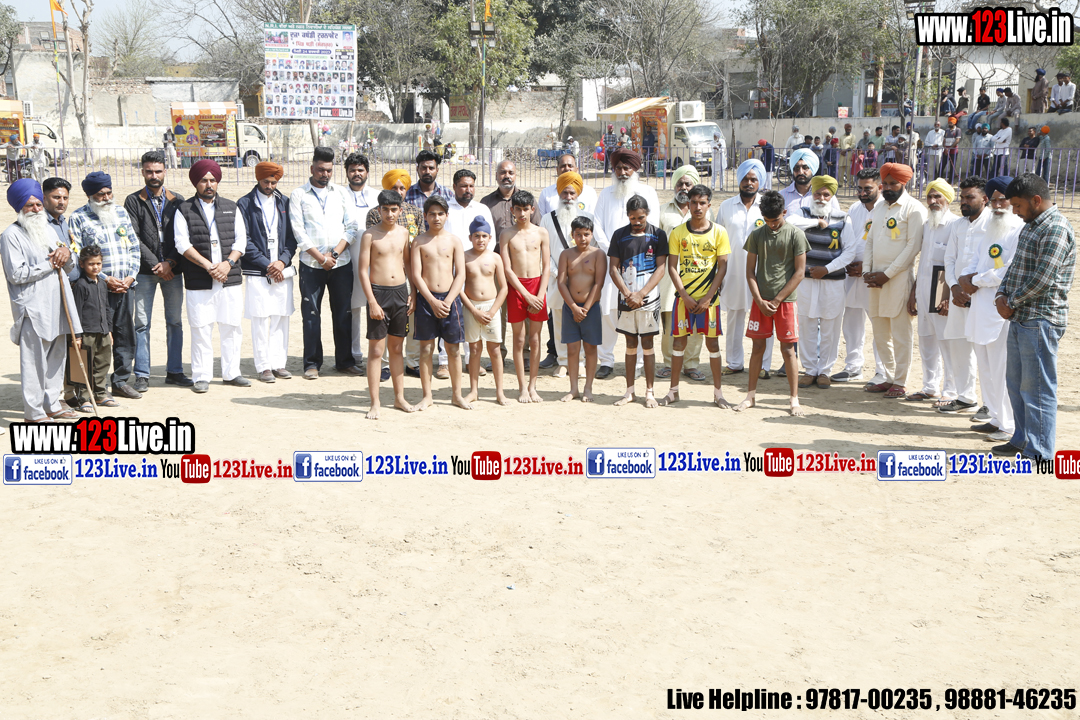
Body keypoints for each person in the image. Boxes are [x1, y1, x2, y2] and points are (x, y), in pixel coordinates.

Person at [995, 174, 1076, 459]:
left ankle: (1040, 451)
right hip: (1020, 316)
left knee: (1037, 388)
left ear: (1036, 200)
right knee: (1016, 385)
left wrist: (1010, 301)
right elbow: (1015, 267)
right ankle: (1021, 439)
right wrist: (1000, 295)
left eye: (1018, 205)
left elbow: (1044, 278)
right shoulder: (1031, 225)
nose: (1015, 211)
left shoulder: (1056, 228)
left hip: (1041, 319)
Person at [1, 179, 82, 421]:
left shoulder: (48, 229)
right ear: (19, 207)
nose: (36, 209)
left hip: (59, 303)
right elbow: (16, 274)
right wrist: (50, 263)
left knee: (57, 357)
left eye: (38, 204)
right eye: (30, 205)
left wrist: (66, 253)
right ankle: (34, 412)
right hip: (33, 308)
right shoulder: (11, 235)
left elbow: (68, 264)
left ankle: (52, 404)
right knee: (34, 362)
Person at [173, 159, 250, 393]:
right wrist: (209, 267)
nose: (209, 185)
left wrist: (227, 264)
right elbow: (182, 244)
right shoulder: (184, 209)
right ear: (195, 183)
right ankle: (202, 376)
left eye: (212, 180)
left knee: (231, 327)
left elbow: (241, 241)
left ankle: (231, 373)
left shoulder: (231, 207)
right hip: (199, 280)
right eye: (204, 180)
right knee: (201, 328)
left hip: (229, 278)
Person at [958, 175, 1025, 444]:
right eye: (994, 200)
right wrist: (964, 278)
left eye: (1002, 200)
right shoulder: (989, 229)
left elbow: (1008, 271)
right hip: (979, 308)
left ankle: (1008, 424)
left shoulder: (1019, 230)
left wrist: (975, 280)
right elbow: (973, 259)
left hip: (1000, 309)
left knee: (1001, 368)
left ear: (1012, 201)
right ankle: (995, 417)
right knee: (985, 366)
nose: (997, 205)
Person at [67, 171, 142, 400]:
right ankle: (85, 389)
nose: (107, 198)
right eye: (101, 194)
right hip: (95, 289)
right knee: (91, 340)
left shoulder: (120, 212)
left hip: (125, 287)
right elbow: (77, 255)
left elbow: (134, 246)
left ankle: (120, 381)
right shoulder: (78, 217)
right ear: (89, 195)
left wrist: (131, 276)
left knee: (124, 335)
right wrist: (105, 278)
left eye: (109, 192)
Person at [733, 189, 808, 417]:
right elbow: (750, 271)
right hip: (761, 302)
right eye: (767, 220)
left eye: (775, 220)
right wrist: (759, 300)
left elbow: (800, 272)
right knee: (757, 347)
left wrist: (776, 300)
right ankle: (750, 396)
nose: (771, 225)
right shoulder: (756, 235)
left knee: (788, 350)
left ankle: (794, 399)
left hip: (786, 302)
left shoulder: (796, 235)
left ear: (784, 212)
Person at [290, 146, 360, 380]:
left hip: (341, 264)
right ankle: (312, 364)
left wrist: (335, 255)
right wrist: (321, 258)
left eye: (329, 170)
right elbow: (298, 232)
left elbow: (351, 227)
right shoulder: (299, 195)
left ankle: (345, 362)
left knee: (343, 313)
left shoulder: (341, 193)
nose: (325, 174)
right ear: (312, 168)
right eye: (321, 170)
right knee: (311, 314)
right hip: (311, 265)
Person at [124, 151, 190, 391]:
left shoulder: (178, 200)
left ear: (165, 171)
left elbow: (183, 236)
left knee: (175, 322)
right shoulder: (133, 201)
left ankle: (175, 371)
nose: (154, 176)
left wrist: (170, 262)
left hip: (173, 271)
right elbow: (134, 237)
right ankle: (142, 374)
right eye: (149, 171)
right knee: (141, 323)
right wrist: (157, 265)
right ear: (142, 172)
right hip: (145, 271)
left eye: (158, 171)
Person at [592, 148, 660, 379]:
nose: (622, 172)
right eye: (618, 168)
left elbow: (654, 227)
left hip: (641, 264)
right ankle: (606, 361)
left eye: (626, 168)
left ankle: (639, 363)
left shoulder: (648, 192)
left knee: (639, 311)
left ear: (635, 169)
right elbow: (597, 226)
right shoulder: (606, 194)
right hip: (612, 262)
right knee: (608, 311)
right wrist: (613, 251)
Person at [661, 184, 730, 408]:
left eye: (702, 203)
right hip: (684, 300)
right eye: (693, 202)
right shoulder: (678, 232)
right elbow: (672, 267)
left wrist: (709, 297)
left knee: (713, 344)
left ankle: (718, 393)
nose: (697, 207)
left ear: (709, 205)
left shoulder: (719, 232)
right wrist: (684, 295)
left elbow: (722, 267)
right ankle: (673, 392)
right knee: (679, 342)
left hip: (709, 301)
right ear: (688, 204)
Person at [784, 175, 856, 388]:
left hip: (832, 281)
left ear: (832, 196)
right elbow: (788, 223)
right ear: (812, 194)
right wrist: (816, 222)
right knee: (806, 323)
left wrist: (826, 269)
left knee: (830, 326)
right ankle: (809, 370)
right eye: (817, 194)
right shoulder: (802, 214)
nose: (821, 198)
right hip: (805, 281)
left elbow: (850, 251)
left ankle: (824, 371)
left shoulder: (843, 219)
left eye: (826, 194)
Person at [863, 162, 926, 398]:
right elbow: (870, 240)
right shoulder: (879, 207)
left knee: (900, 333)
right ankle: (888, 377)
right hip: (875, 280)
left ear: (904, 183)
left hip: (898, 279)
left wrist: (887, 274)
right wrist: (867, 271)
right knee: (880, 333)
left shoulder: (914, 209)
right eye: (885, 183)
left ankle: (900, 381)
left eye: (893, 184)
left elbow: (913, 247)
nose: (888, 188)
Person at [540, 171, 607, 379]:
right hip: (557, 280)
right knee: (560, 321)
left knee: (585, 319)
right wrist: (557, 272)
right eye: (564, 193)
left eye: (572, 193)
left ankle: (583, 362)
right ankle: (563, 362)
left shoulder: (588, 218)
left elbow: (595, 247)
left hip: (584, 282)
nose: (568, 197)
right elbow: (544, 251)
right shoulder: (547, 219)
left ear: (578, 194)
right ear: (559, 193)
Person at [358, 189, 417, 418]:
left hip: (400, 293)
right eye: (385, 210)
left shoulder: (403, 233)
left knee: (397, 348)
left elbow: (408, 264)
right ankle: (375, 402)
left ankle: (399, 397)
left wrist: (413, 292)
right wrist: (372, 301)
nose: (390, 214)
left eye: (394, 210)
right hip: (379, 294)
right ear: (379, 210)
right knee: (376, 350)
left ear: (400, 210)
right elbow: (362, 271)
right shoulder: (370, 235)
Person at [481, 159, 545, 367]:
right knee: (498, 311)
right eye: (502, 172)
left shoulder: (527, 200)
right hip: (496, 267)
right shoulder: (486, 203)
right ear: (496, 175)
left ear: (516, 175)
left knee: (527, 310)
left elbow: (536, 230)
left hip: (525, 271)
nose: (506, 176)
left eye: (510, 172)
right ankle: (498, 353)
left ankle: (526, 354)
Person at [607, 195, 668, 408]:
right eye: (632, 218)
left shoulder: (658, 235)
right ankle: (629, 391)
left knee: (648, 344)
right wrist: (627, 293)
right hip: (626, 299)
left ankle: (650, 392)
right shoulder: (619, 235)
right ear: (628, 216)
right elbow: (613, 269)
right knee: (630, 343)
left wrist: (641, 294)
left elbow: (661, 268)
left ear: (647, 214)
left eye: (640, 217)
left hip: (649, 299)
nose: (637, 222)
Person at [717, 159, 775, 380]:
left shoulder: (766, 206)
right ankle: (734, 362)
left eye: (753, 179)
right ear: (739, 180)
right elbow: (718, 238)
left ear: (760, 182)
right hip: (732, 270)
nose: (749, 183)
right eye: (745, 178)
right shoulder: (726, 206)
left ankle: (764, 364)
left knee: (764, 315)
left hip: (762, 271)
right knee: (734, 316)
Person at [238, 161, 295, 384]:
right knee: (260, 319)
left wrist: (282, 261)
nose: (269, 186)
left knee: (281, 317)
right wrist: (267, 265)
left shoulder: (285, 202)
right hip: (257, 271)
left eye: (273, 182)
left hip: (281, 270)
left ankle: (279, 363)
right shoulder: (245, 203)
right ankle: (263, 366)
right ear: (258, 179)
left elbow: (292, 237)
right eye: (265, 182)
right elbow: (244, 239)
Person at [411, 195, 469, 410]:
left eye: (440, 214)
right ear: (425, 216)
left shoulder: (454, 241)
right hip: (427, 300)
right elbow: (416, 275)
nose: (436, 218)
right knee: (426, 349)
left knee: (453, 349)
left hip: (450, 300)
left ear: (447, 215)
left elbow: (460, 273)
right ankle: (427, 395)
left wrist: (449, 299)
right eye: (432, 214)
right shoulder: (419, 241)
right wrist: (432, 300)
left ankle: (457, 395)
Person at [906, 179, 960, 404]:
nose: (933, 201)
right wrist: (914, 292)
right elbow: (924, 263)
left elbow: (955, 264)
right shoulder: (927, 224)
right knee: (926, 341)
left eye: (938, 196)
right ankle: (930, 387)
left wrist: (947, 297)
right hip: (924, 288)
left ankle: (951, 390)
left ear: (948, 199)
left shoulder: (956, 225)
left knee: (946, 342)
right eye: (930, 196)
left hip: (942, 288)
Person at [937, 176, 988, 416]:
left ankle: (991, 406)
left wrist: (972, 287)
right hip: (958, 296)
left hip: (983, 296)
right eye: (962, 197)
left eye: (970, 197)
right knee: (959, 346)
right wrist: (954, 288)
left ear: (984, 199)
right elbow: (949, 260)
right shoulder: (958, 225)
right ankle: (966, 398)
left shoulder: (993, 223)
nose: (964, 201)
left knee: (985, 352)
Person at [832, 168, 886, 386]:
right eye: (860, 188)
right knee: (851, 321)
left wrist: (866, 267)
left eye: (868, 189)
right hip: (851, 274)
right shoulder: (854, 208)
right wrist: (846, 262)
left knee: (879, 324)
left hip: (875, 275)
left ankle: (883, 371)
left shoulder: (887, 209)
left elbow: (889, 245)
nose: (863, 193)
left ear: (879, 187)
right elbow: (847, 239)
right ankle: (853, 367)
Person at [659, 166, 709, 381]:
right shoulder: (663, 211)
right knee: (670, 321)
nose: (684, 187)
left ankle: (691, 364)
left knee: (696, 321)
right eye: (680, 183)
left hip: (697, 275)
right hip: (668, 277)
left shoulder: (704, 211)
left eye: (688, 184)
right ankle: (669, 363)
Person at [501, 190, 550, 403]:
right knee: (519, 339)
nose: (522, 214)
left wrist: (539, 294)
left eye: (526, 209)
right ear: (512, 210)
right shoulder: (507, 234)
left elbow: (546, 266)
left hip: (537, 286)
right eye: (518, 209)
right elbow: (507, 269)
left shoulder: (541, 233)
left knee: (535, 339)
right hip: (517, 288)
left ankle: (532, 386)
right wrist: (525, 295)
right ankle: (522, 387)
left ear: (532, 209)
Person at [557, 216, 606, 403]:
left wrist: (584, 308)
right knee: (572, 349)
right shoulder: (566, 255)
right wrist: (573, 307)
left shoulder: (598, 254)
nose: (582, 238)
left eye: (586, 234)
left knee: (590, 348)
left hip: (590, 308)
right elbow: (561, 283)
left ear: (592, 234)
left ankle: (588, 388)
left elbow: (598, 283)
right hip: (570, 308)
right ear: (572, 235)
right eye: (578, 234)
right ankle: (573, 389)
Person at [461, 216, 508, 406]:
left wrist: (493, 311)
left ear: (490, 238)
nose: (480, 240)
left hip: (491, 307)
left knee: (495, 349)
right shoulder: (464, 257)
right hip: (471, 307)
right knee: (474, 349)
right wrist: (473, 310)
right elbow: (459, 288)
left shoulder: (495, 258)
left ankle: (500, 392)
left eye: (484, 236)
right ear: (470, 237)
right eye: (476, 236)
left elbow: (503, 288)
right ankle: (473, 391)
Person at [343, 152, 379, 369]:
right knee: (353, 306)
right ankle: (355, 354)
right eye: (352, 170)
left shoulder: (377, 196)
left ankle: (377, 356)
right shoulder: (339, 195)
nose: (357, 174)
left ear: (367, 172)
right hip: (348, 257)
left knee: (376, 304)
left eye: (360, 170)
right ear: (347, 173)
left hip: (376, 259)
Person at [69, 244, 115, 411]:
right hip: (86, 332)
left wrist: (109, 330)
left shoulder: (102, 283)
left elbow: (107, 308)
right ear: (82, 264)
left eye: (98, 263)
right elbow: (76, 312)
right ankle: (84, 397)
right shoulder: (80, 285)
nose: (95, 267)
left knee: (102, 363)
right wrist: (77, 335)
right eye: (91, 264)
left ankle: (100, 393)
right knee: (84, 364)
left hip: (103, 331)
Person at [404, 149, 455, 221]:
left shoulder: (447, 194)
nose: (427, 172)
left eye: (431, 168)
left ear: (437, 170)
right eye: (424, 168)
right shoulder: (407, 194)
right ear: (417, 169)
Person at [941, 117, 962, 181]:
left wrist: (949, 148)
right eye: (949, 123)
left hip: (953, 150)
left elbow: (957, 140)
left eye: (951, 123)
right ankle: (939, 179)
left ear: (954, 123)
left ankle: (951, 181)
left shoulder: (958, 130)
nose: (950, 124)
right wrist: (945, 148)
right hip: (946, 150)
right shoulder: (947, 130)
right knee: (942, 165)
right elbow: (944, 140)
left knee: (952, 166)